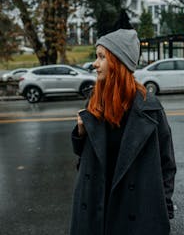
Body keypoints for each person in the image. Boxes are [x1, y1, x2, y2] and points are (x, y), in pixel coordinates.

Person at [70, 28, 176, 235]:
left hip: (135, 211)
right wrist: (80, 133)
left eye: (101, 57)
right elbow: (84, 160)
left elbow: (167, 165)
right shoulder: (94, 101)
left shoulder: (150, 108)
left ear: (118, 63)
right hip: (96, 206)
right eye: (96, 56)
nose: (95, 63)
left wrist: (163, 207)